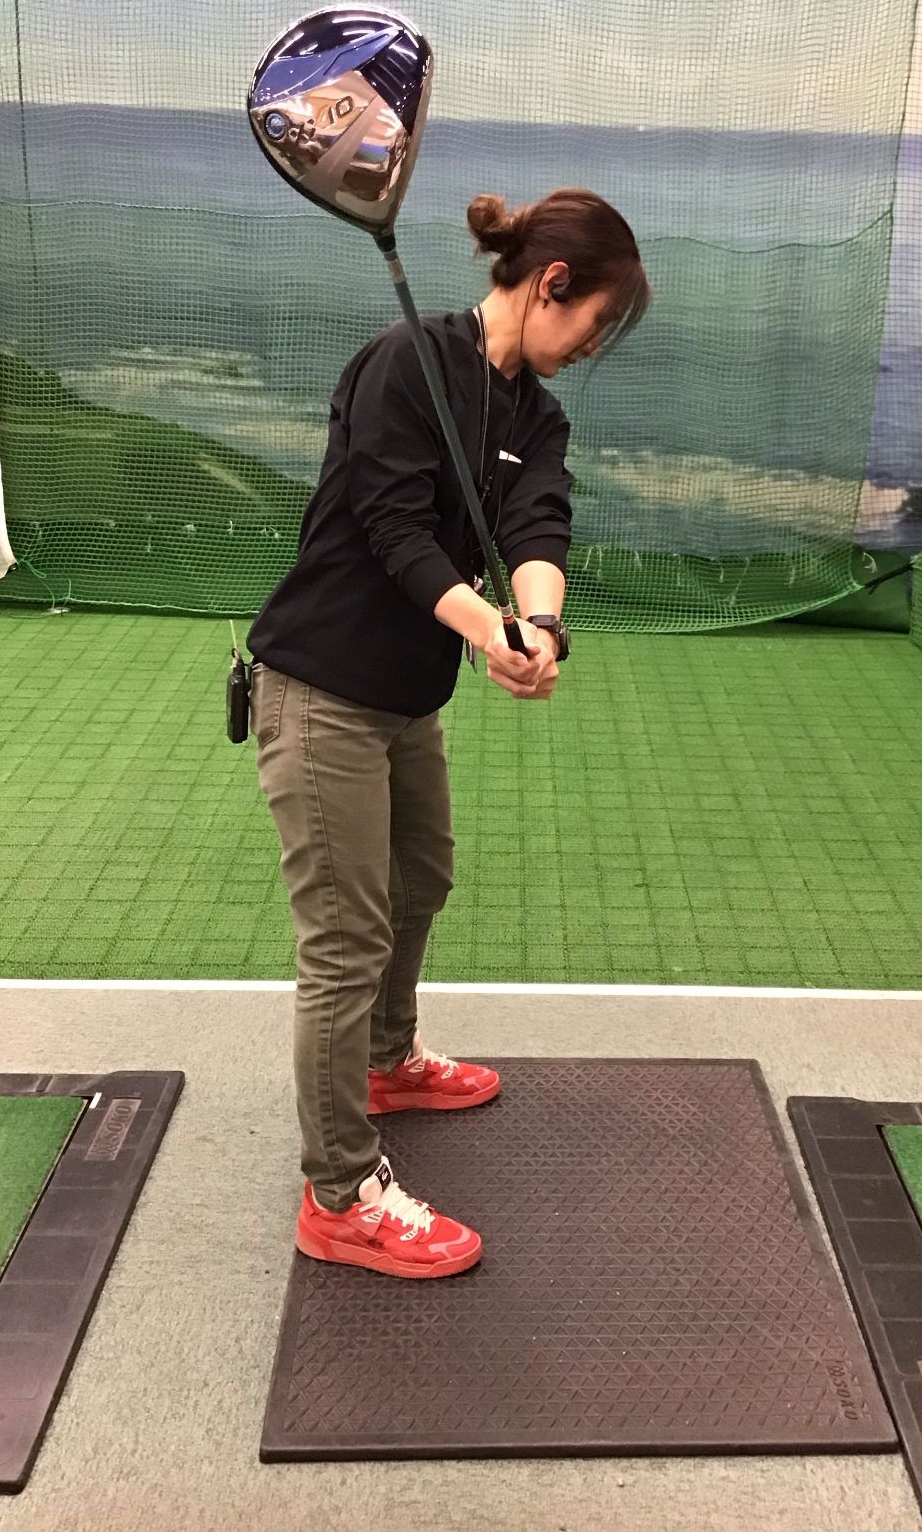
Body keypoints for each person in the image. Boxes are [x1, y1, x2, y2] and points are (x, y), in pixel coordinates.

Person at [247, 187, 651, 1279]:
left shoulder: (534, 416)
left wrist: (541, 626)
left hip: (404, 696)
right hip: (320, 687)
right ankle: (340, 1193)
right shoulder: (405, 365)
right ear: (550, 283)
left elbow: (537, 522)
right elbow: (391, 529)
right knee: (345, 940)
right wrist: (488, 631)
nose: (593, 346)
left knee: (421, 879)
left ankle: (387, 1061)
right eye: (595, 322)